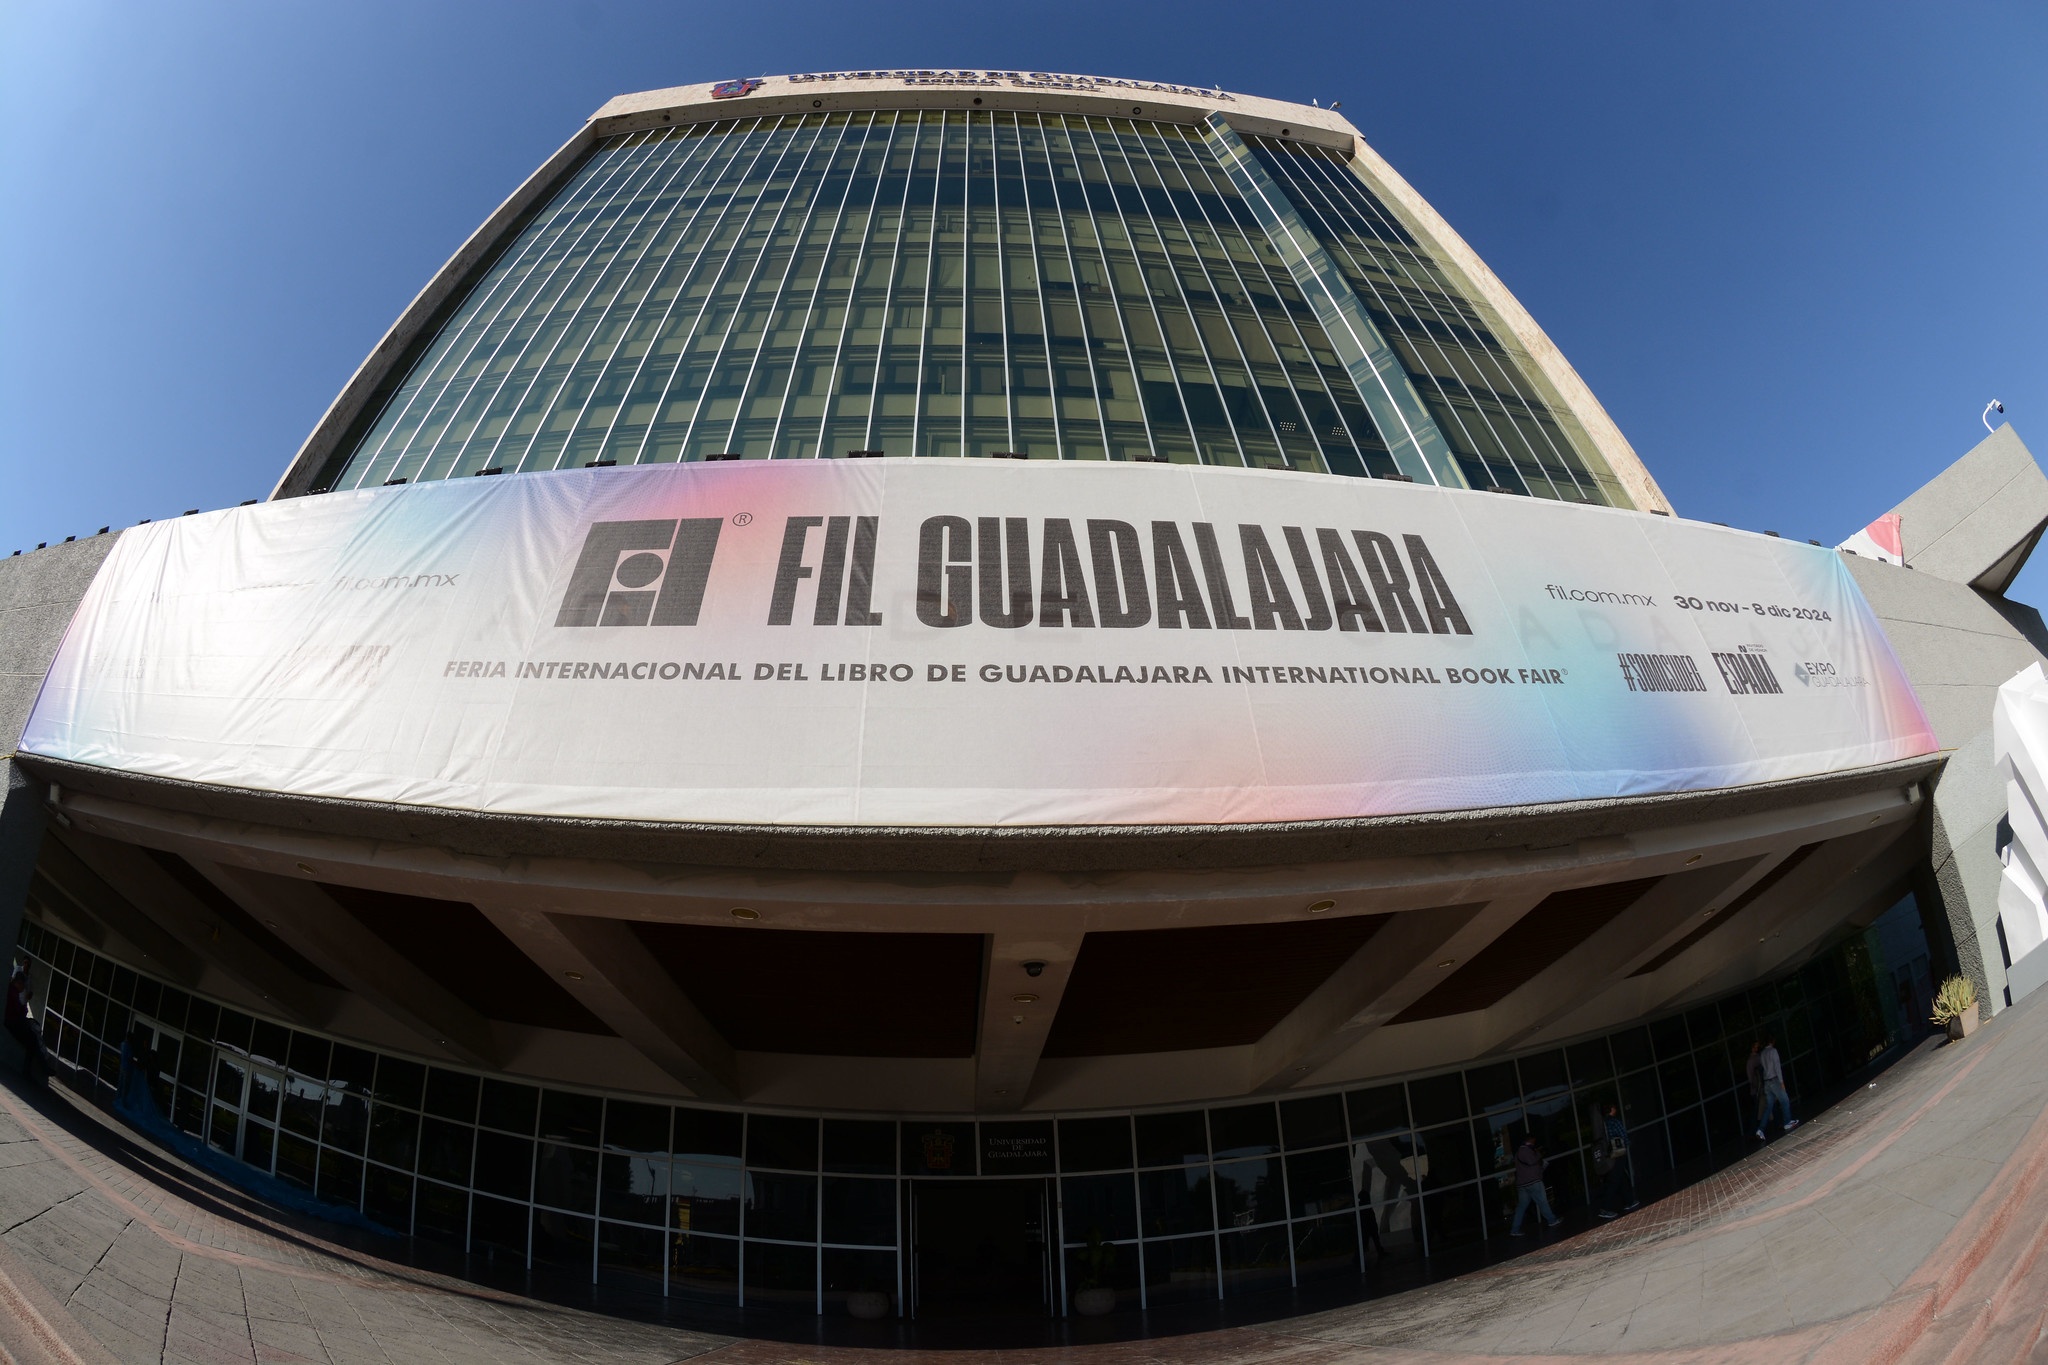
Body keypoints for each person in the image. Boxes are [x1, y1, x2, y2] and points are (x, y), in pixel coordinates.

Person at [5, 955, 50, 1087]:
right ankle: (36, 1068)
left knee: (33, 1035)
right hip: (13, 1022)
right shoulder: (12, 992)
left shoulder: (18, 987)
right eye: (22, 985)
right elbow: (17, 1011)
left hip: (16, 1018)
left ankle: (42, 1064)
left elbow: (28, 996)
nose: (23, 987)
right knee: (31, 1039)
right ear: (17, 983)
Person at [1508, 1134, 1562, 1236]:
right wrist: (1538, 1154)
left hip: (1522, 1184)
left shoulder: (1518, 1152)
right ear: (1531, 1140)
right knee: (1542, 1202)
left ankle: (1514, 1229)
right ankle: (1552, 1220)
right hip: (1533, 1182)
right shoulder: (1526, 1151)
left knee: (1521, 1207)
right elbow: (1532, 1161)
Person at [1594, 1104, 1639, 1219]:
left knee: (1621, 1176)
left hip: (1610, 1154)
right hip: (1619, 1152)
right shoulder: (1614, 1121)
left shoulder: (1603, 1123)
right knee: (1614, 1180)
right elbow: (1622, 1135)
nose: (1615, 1109)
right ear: (1610, 1110)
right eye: (1613, 1107)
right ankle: (1606, 1208)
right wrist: (1628, 1145)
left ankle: (1629, 1201)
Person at [1755, 1036, 1798, 1139]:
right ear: (1772, 1041)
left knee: (1769, 1107)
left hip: (1767, 1082)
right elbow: (1777, 1066)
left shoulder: (1762, 1054)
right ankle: (1787, 1122)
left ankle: (1760, 1129)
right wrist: (1781, 1081)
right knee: (1785, 1100)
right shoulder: (1773, 1051)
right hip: (1774, 1080)